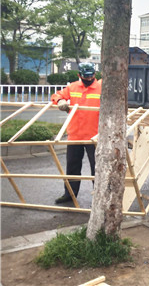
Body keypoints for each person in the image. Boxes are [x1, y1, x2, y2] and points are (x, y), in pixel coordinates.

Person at [51, 62, 102, 204]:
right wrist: (60, 101)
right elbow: (56, 95)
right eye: (86, 76)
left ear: (95, 74)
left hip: (94, 136)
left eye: (91, 76)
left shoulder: (101, 88)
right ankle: (69, 194)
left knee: (97, 168)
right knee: (72, 167)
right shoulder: (73, 87)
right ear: (79, 75)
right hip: (75, 135)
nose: (89, 79)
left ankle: (99, 196)